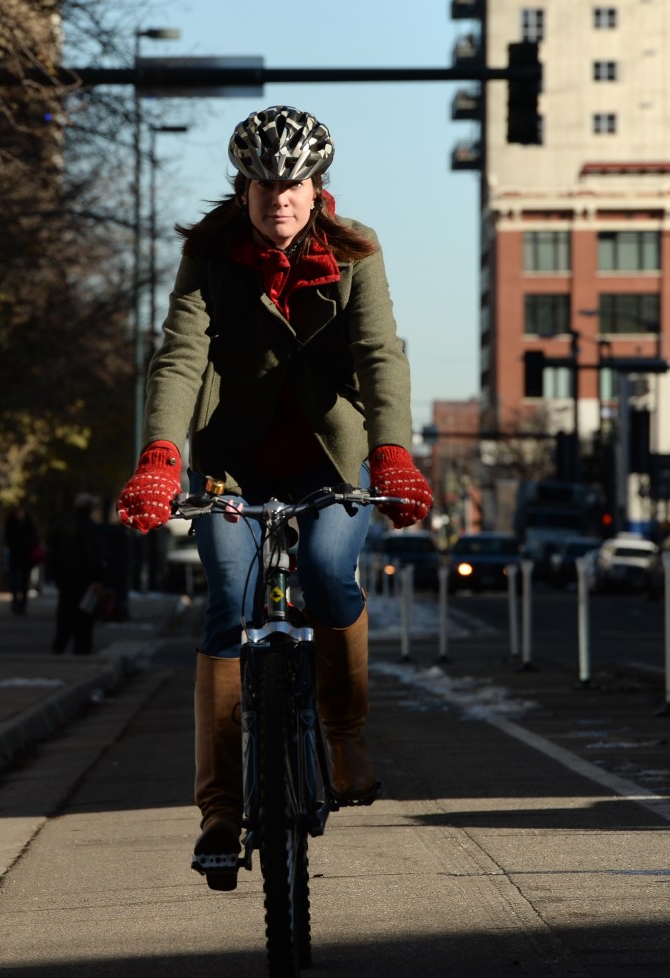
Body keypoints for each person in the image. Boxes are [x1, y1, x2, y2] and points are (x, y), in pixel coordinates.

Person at [115, 106, 432, 892]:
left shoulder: (356, 251)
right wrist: (160, 456)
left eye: (293, 185)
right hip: (234, 463)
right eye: (263, 186)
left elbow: (379, 353)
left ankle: (345, 739)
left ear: (315, 187)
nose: (278, 199)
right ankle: (221, 812)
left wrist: (392, 450)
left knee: (327, 573)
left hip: (330, 459)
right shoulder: (209, 252)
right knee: (229, 598)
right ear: (244, 188)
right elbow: (181, 355)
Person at [45, 492, 106, 655]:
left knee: (65, 613)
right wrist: (98, 577)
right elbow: (92, 555)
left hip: (65, 577)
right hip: (84, 578)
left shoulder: (62, 525)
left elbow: (52, 552)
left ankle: (60, 644)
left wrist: (55, 575)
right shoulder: (88, 527)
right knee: (84, 616)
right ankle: (81, 649)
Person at [3, 502, 41, 614]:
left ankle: (22, 605)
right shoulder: (12, 524)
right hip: (15, 556)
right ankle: (15, 603)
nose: (20, 514)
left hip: (26, 557)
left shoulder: (29, 525)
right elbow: (8, 538)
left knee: (24, 582)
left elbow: (35, 539)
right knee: (15, 581)